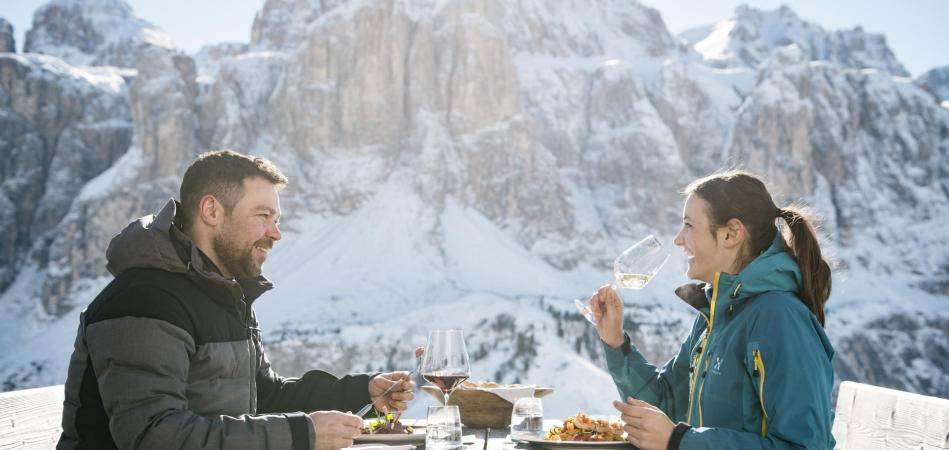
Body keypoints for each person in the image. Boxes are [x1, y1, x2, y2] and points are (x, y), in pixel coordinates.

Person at [57, 150, 416, 450]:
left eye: (276, 219)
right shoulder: (144, 299)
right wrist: (302, 433)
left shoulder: (225, 293)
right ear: (212, 211)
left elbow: (265, 395)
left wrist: (361, 393)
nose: (276, 234)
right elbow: (154, 435)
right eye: (263, 216)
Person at [588, 170, 835, 450]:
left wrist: (680, 441)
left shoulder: (780, 319)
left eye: (689, 225)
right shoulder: (716, 316)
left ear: (731, 234)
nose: (678, 240)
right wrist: (615, 342)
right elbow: (666, 403)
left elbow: (804, 446)